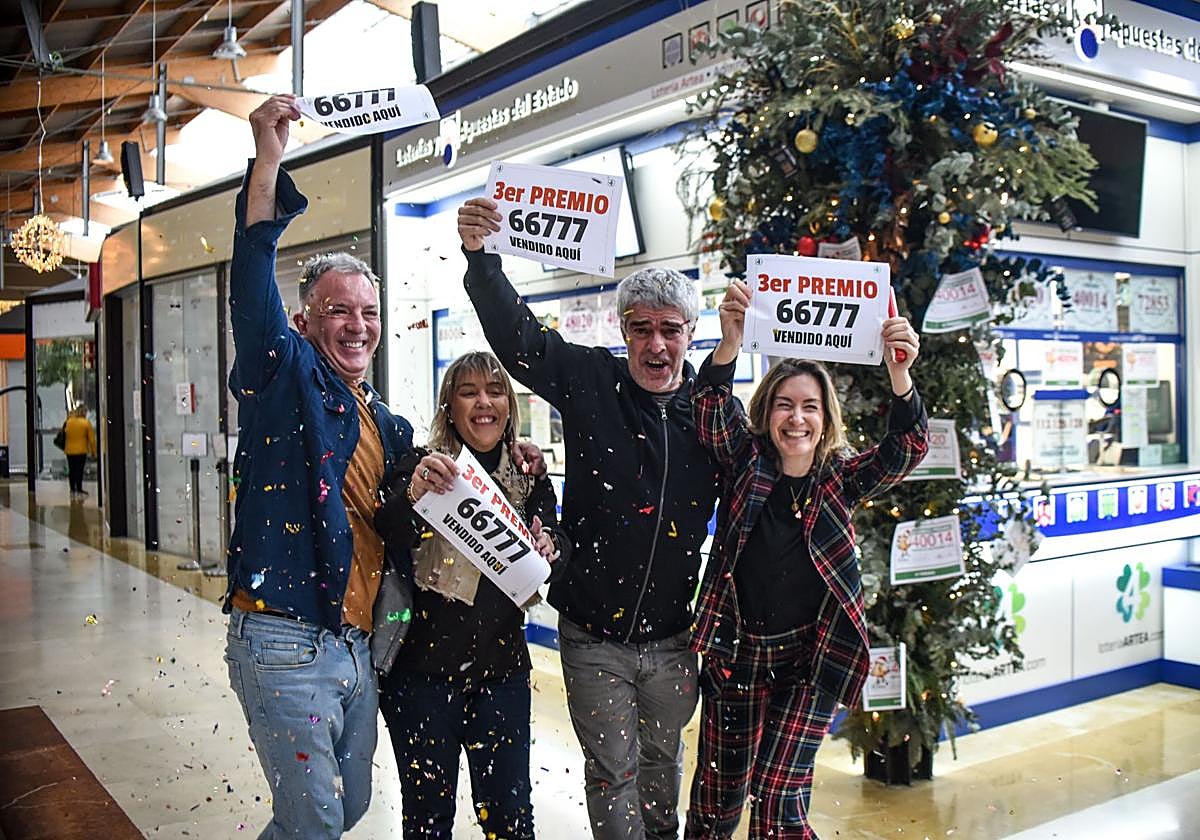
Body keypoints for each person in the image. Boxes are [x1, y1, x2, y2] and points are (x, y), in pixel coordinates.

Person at [456, 198, 721, 840]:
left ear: (691, 332)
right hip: (593, 636)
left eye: (670, 329)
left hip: (674, 640)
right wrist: (481, 259)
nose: (655, 344)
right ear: (623, 330)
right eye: (640, 328)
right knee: (611, 775)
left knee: (662, 768)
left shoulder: (711, 414)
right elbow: (520, 340)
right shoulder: (590, 379)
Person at [221, 94, 414, 839]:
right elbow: (251, 280)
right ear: (304, 321)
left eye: (368, 313)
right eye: (339, 311)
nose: (357, 326)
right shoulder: (285, 377)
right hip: (283, 638)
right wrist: (268, 161)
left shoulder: (386, 423)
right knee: (317, 822)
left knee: (348, 807)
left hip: (356, 642)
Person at [683, 279, 928, 840]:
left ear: (826, 419)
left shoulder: (839, 478)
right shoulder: (745, 461)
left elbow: (906, 450)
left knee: (778, 797)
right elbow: (710, 410)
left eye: (810, 407)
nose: (797, 419)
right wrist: (729, 342)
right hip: (737, 656)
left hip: (813, 660)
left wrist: (899, 374)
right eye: (785, 405)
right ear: (767, 412)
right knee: (717, 802)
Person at [373, 350, 569, 839]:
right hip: (421, 678)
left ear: (509, 405)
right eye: (469, 393)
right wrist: (415, 492)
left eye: (495, 391)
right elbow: (387, 529)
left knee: (510, 821)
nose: (484, 403)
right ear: (449, 406)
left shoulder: (527, 475)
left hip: (501, 675)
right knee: (427, 822)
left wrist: (551, 544)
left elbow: (558, 540)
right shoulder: (423, 465)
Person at [62, 405, 96, 499]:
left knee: (72, 470)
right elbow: (92, 440)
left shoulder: (69, 422)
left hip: (69, 450)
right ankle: (79, 489)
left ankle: (72, 489)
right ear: (84, 412)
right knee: (79, 470)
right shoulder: (86, 423)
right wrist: (94, 452)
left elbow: (64, 434)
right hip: (81, 451)